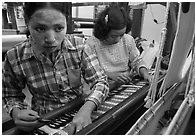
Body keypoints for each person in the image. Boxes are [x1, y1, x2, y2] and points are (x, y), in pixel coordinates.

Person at [2, 2, 109, 134]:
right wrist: (16, 112)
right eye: (41, 29)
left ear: (67, 23)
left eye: (59, 28)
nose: (51, 39)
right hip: (43, 121)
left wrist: (86, 109)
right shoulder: (15, 57)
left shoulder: (79, 47)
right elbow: (11, 95)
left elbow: (100, 82)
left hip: (80, 113)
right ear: (27, 21)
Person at [86, 5, 152, 91]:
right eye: (113, 36)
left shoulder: (127, 40)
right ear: (104, 31)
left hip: (125, 84)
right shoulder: (91, 44)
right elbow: (90, 72)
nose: (118, 39)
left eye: (121, 35)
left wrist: (145, 73)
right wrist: (111, 75)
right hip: (103, 87)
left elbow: (137, 61)